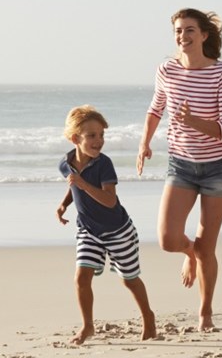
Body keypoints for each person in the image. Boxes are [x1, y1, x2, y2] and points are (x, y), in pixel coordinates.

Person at [137, 8, 222, 331]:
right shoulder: (166, 70)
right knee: (168, 239)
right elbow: (156, 109)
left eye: (189, 30)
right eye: (178, 31)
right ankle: (188, 253)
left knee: (208, 247)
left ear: (204, 35)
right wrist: (144, 143)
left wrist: (192, 121)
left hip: (218, 168)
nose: (183, 36)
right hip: (180, 164)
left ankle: (205, 311)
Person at [56, 105, 156, 345]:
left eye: (101, 135)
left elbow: (110, 200)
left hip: (118, 231)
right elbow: (73, 186)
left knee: (129, 279)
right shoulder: (65, 163)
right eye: (92, 135)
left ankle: (148, 317)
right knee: (81, 277)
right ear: (74, 138)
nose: (99, 140)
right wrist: (63, 204)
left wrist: (82, 184)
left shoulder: (104, 164)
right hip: (88, 231)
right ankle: (88, 325)